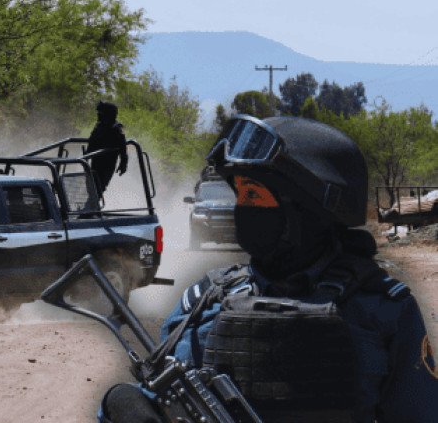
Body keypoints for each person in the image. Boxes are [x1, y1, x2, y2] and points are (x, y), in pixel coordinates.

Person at [100, 115, 438, 422]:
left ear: (305, 208)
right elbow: (161, 394)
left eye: (253, 194)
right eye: (241, 195)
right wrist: (125, 405)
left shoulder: (383, 311)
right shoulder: (205, 302)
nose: (241, 209)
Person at [87, 101, 128, 195]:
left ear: (108, 115)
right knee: (91, 187)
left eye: (100, 113)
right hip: (96, 161)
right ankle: (91, 205)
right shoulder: (99, 127)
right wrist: (86, 157)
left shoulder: (116, 129)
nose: (98, 115)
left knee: (99, 187)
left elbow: (123, 148)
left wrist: (123, 163)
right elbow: (92, 142)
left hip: (107, 165)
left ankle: (93, 205)